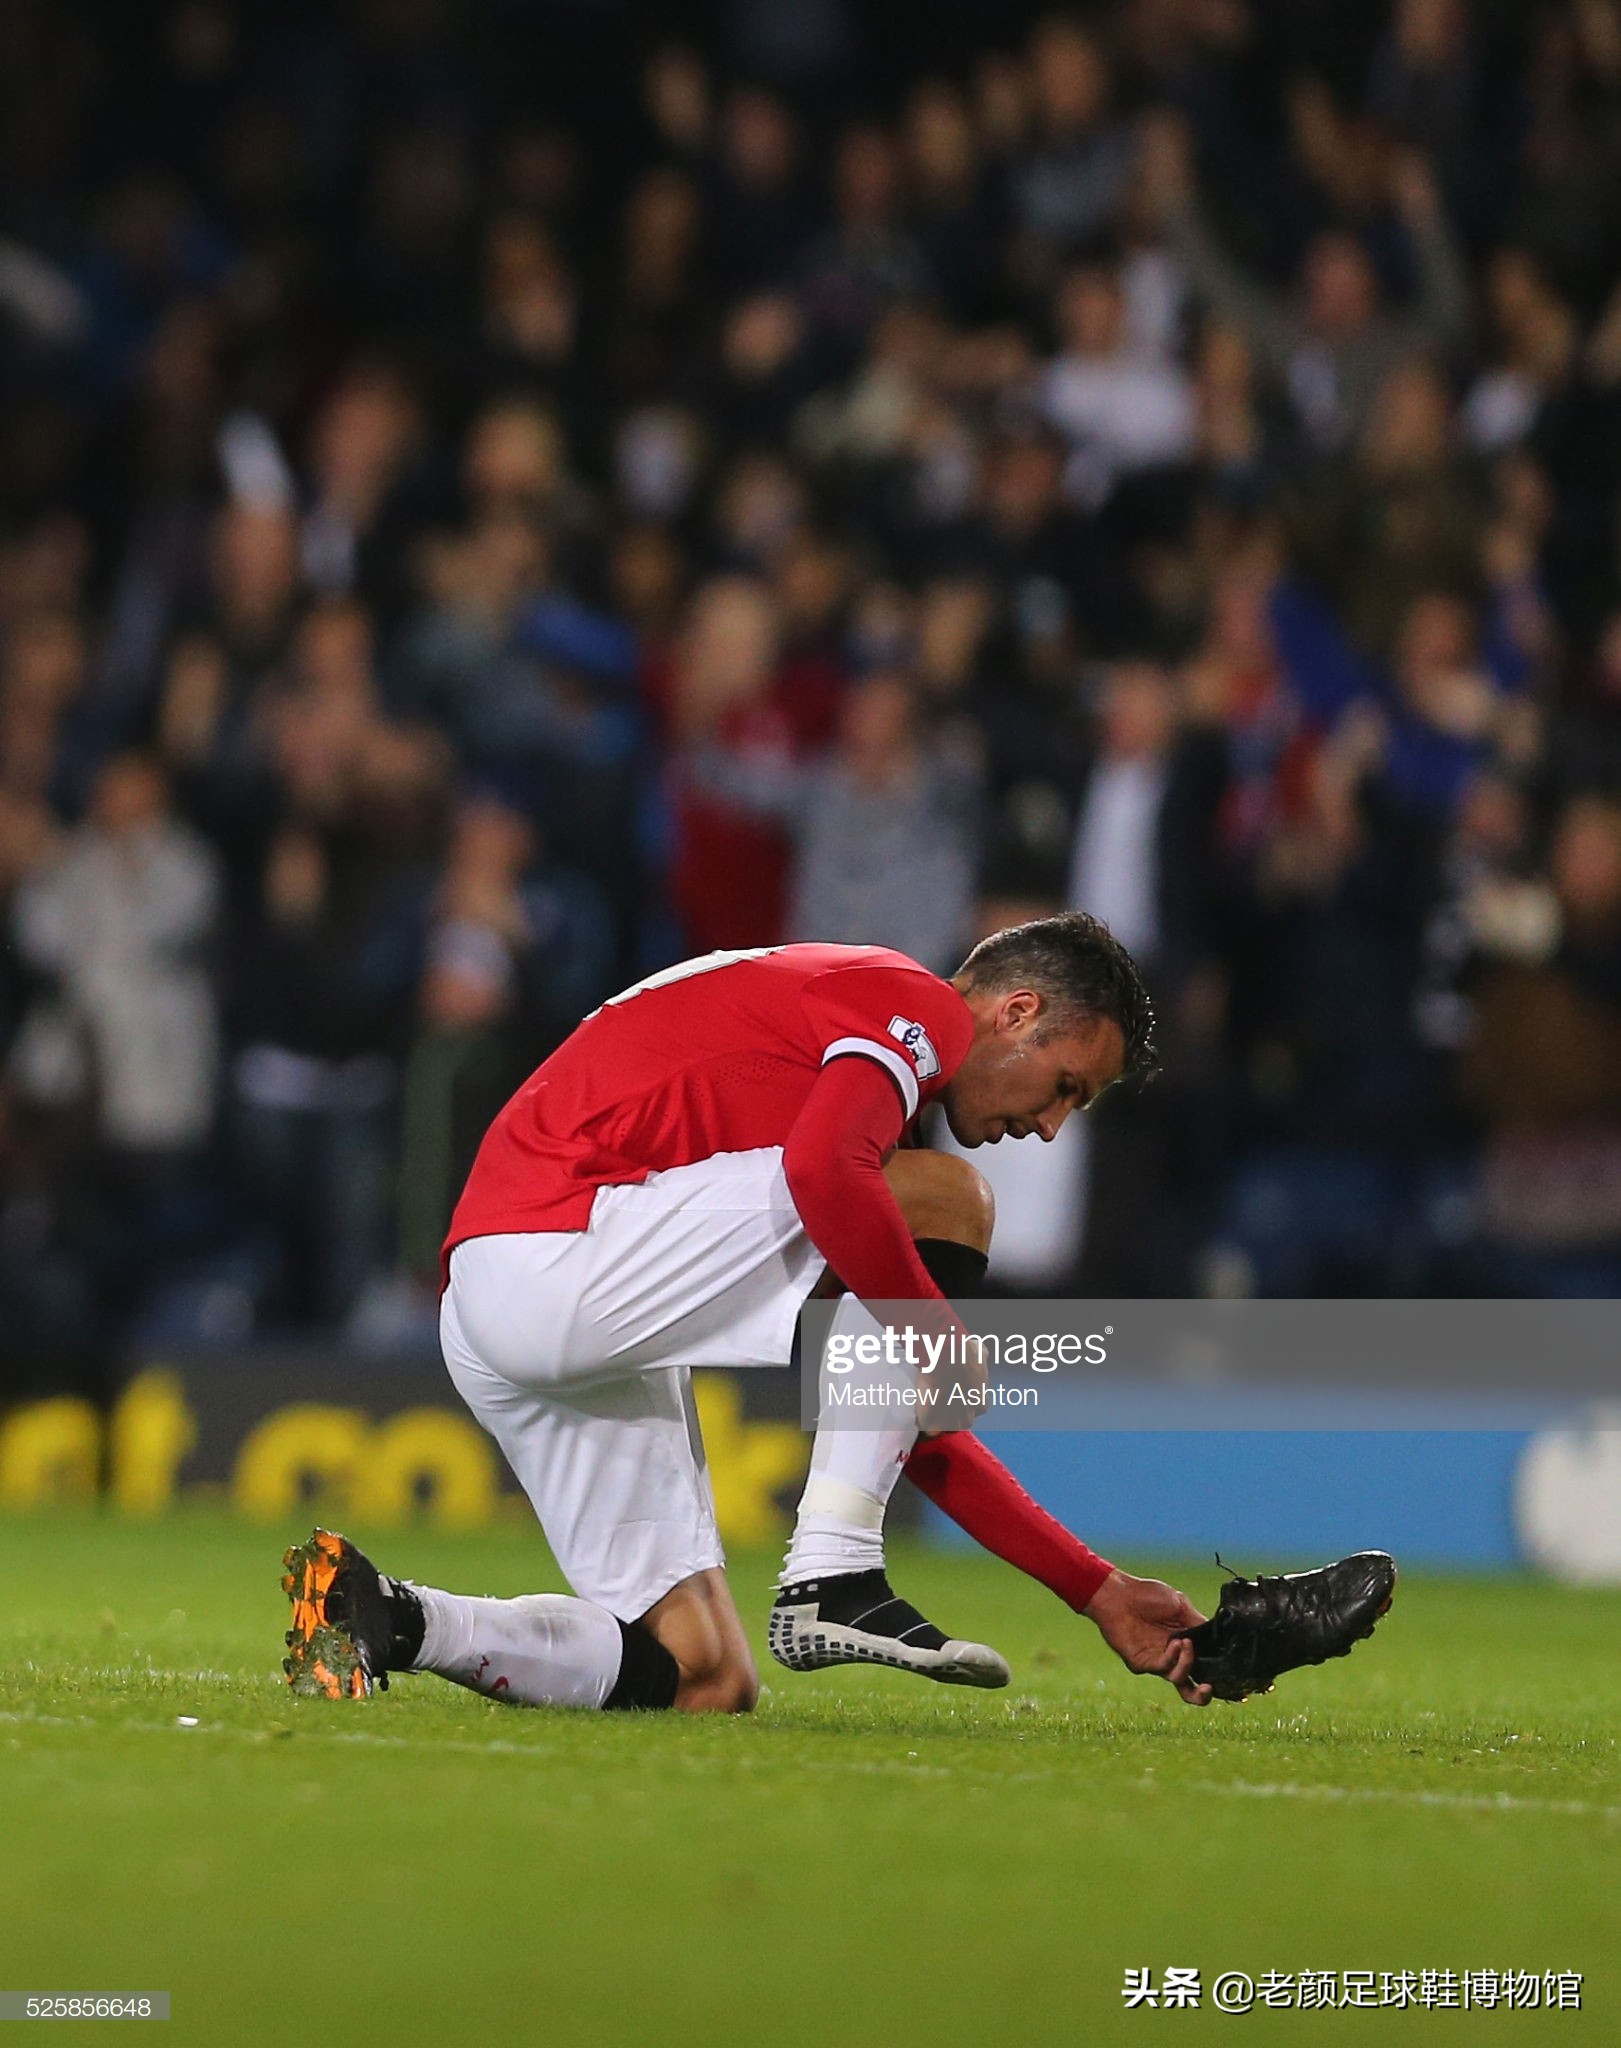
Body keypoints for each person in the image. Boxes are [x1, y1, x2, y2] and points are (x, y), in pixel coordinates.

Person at [283, 913, 1219, 1713]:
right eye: (1064, 1087)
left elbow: (906, 1428)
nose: (1050, 1127)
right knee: (953, 1199)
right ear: (1015, 1013)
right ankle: (834, 1572)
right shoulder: (915, 1005)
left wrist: (1092, 1590)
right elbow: (822, 1173)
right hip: (561, 1242)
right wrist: (930, 1327)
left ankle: (383, 1615)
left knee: (705, 1676)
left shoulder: (862, 1085)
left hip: (507, 1291)